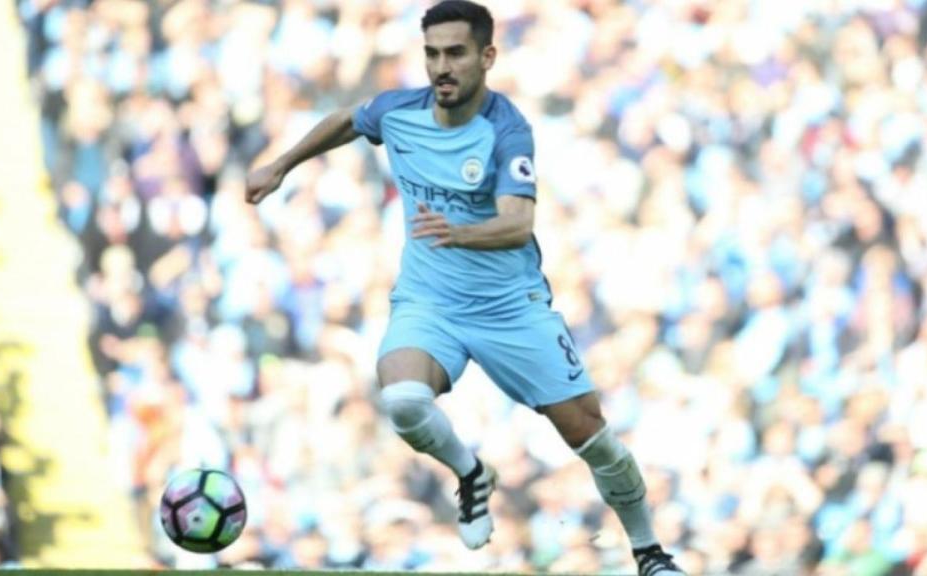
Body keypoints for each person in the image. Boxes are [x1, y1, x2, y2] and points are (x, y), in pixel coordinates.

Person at [245, 1, 685, 574]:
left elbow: (518, 222)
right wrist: (281, 165)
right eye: (431, 53)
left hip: (511, 308)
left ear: (487, 57)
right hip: (430, 303)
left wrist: (458, 231)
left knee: (589, 433)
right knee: (402, 399)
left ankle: (649, 551)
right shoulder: (399, 112)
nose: (441, 67)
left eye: (455, 53)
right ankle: (472, 474)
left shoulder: (506, 130)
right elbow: (348, 120)